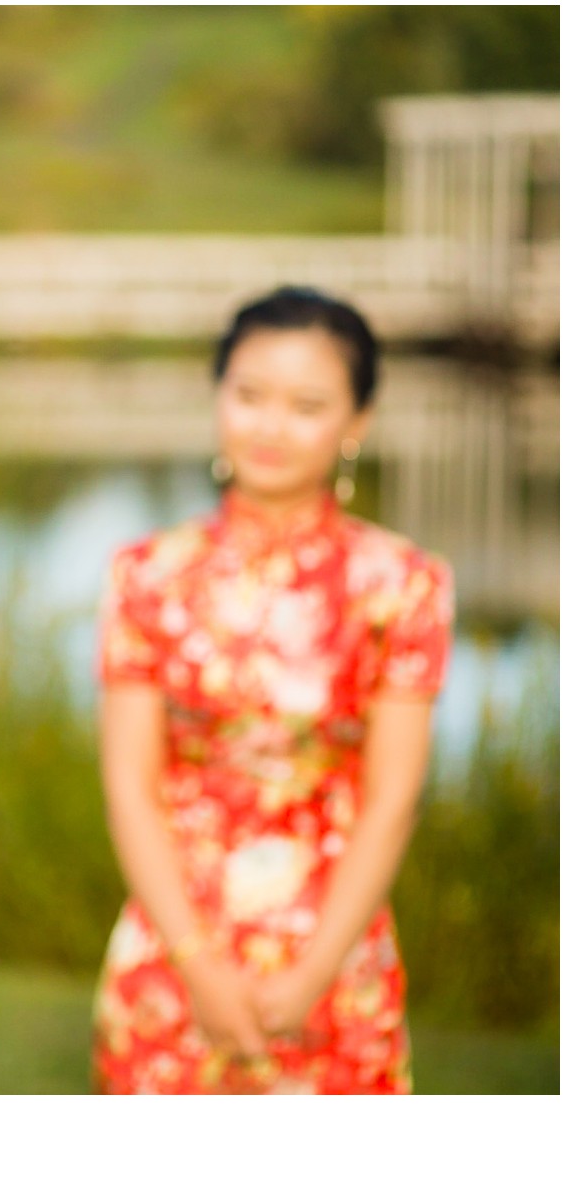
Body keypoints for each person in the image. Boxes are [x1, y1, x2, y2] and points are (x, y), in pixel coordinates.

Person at [92, 286, 453, 1094]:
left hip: (336, 950)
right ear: (218, 396)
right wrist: (198, 966)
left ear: (356, 422)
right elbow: (129, 783)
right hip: (173, 943)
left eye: (307, 404)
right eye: (249, 395)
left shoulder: (401, 583)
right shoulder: (149, 574)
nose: (269, 424)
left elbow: (393, 798)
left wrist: (309, 975)